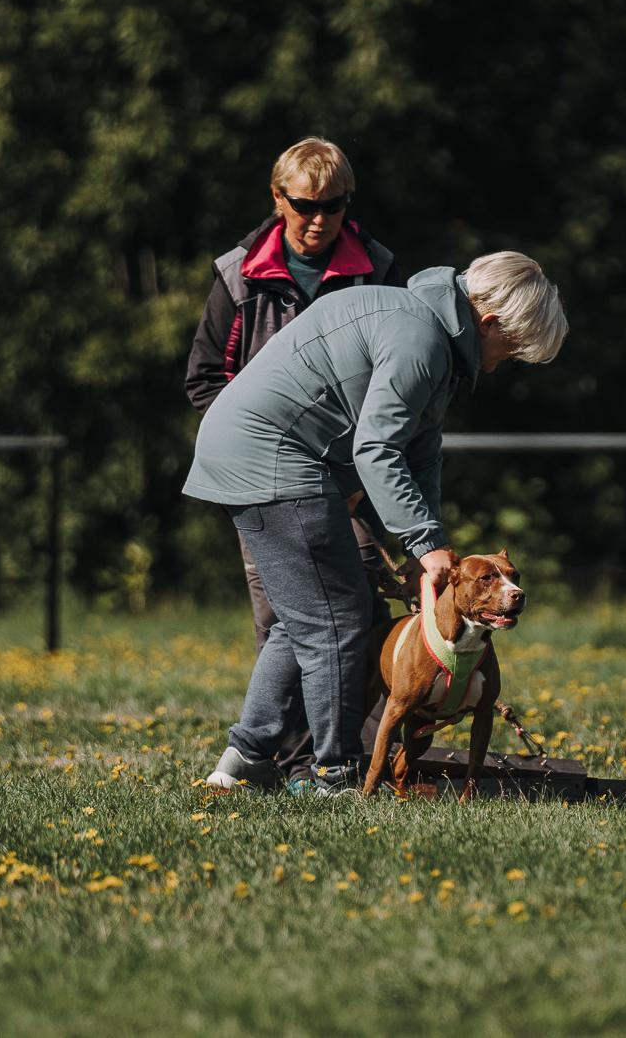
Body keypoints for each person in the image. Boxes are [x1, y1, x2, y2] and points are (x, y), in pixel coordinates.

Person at [186, 251, 568, 794]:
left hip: (261, 451)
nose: (504, 363)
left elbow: (422, 455)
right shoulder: (421, 341)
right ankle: (332, 775)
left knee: (312, 615)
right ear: (488, 322)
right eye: (511, 349)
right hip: (270, 455)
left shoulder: (426, 330)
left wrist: (426, 552)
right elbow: (377, 449)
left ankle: (244, 757)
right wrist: (425, 543)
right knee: (337, 619)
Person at [185, 136, 403, 784]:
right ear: (278, 199)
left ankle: (352, 757)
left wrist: (360, 476)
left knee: (360, 611)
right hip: (267, 472)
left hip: (351, 476)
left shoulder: (376, 269)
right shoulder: (239, 277)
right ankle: (286, 761)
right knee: (287, 615)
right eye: (306, 204)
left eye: (333, 205)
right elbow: (203, 381)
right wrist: (263, 441)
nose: (318, 219)